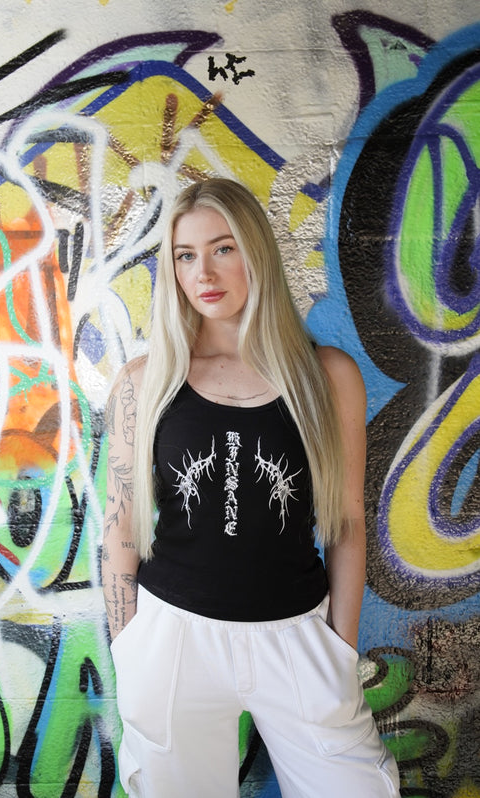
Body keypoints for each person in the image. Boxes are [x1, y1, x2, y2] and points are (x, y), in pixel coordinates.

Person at [102, 178, 400, 798]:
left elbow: (345, 523)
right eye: (185, 255)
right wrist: (128, 651)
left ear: (256, 252)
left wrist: (341, 653)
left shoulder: (326, 376)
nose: (203, 272)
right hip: (173, 640)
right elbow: (121, 529)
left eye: (223, 248)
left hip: (297, 637)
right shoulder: (145, 382)